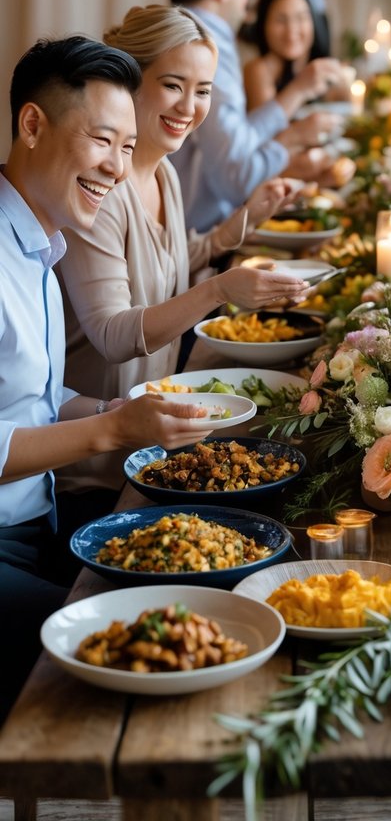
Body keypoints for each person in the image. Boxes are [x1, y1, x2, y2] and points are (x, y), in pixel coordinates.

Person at [0, 36, 214, 721]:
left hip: (39, 526)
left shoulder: (41, 241)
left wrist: (107, 404)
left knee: (188, 581)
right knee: (146, 651)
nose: (118, 169)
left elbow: (28, 396)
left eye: (129, 148)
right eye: (103, 141)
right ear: (32, 125)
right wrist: (114, 427)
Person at [58, 5, 308, 414]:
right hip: (99, 450)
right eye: (173, 85)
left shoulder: (163, 171)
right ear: (130, 82)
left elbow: (163, 266)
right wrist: (220, 289)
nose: (189, 107)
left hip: (156, 417)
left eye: (204, 90)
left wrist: (247, 216)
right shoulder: (99, 187)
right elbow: (113, 334)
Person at [165, 0, 344, 232]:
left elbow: (240, 141)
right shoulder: (203, 43)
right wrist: (294, 136)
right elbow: (237, 178)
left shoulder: (182, 33)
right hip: (195, 228)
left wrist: (299, 94)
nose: (247, 1)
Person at [245, 0, 340, 112]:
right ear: (263, 25)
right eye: (281, 20)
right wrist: (301, 87)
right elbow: (265, 127)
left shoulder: (318, 66)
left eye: (301, 18)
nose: (291, 31)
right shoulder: (258, 70)